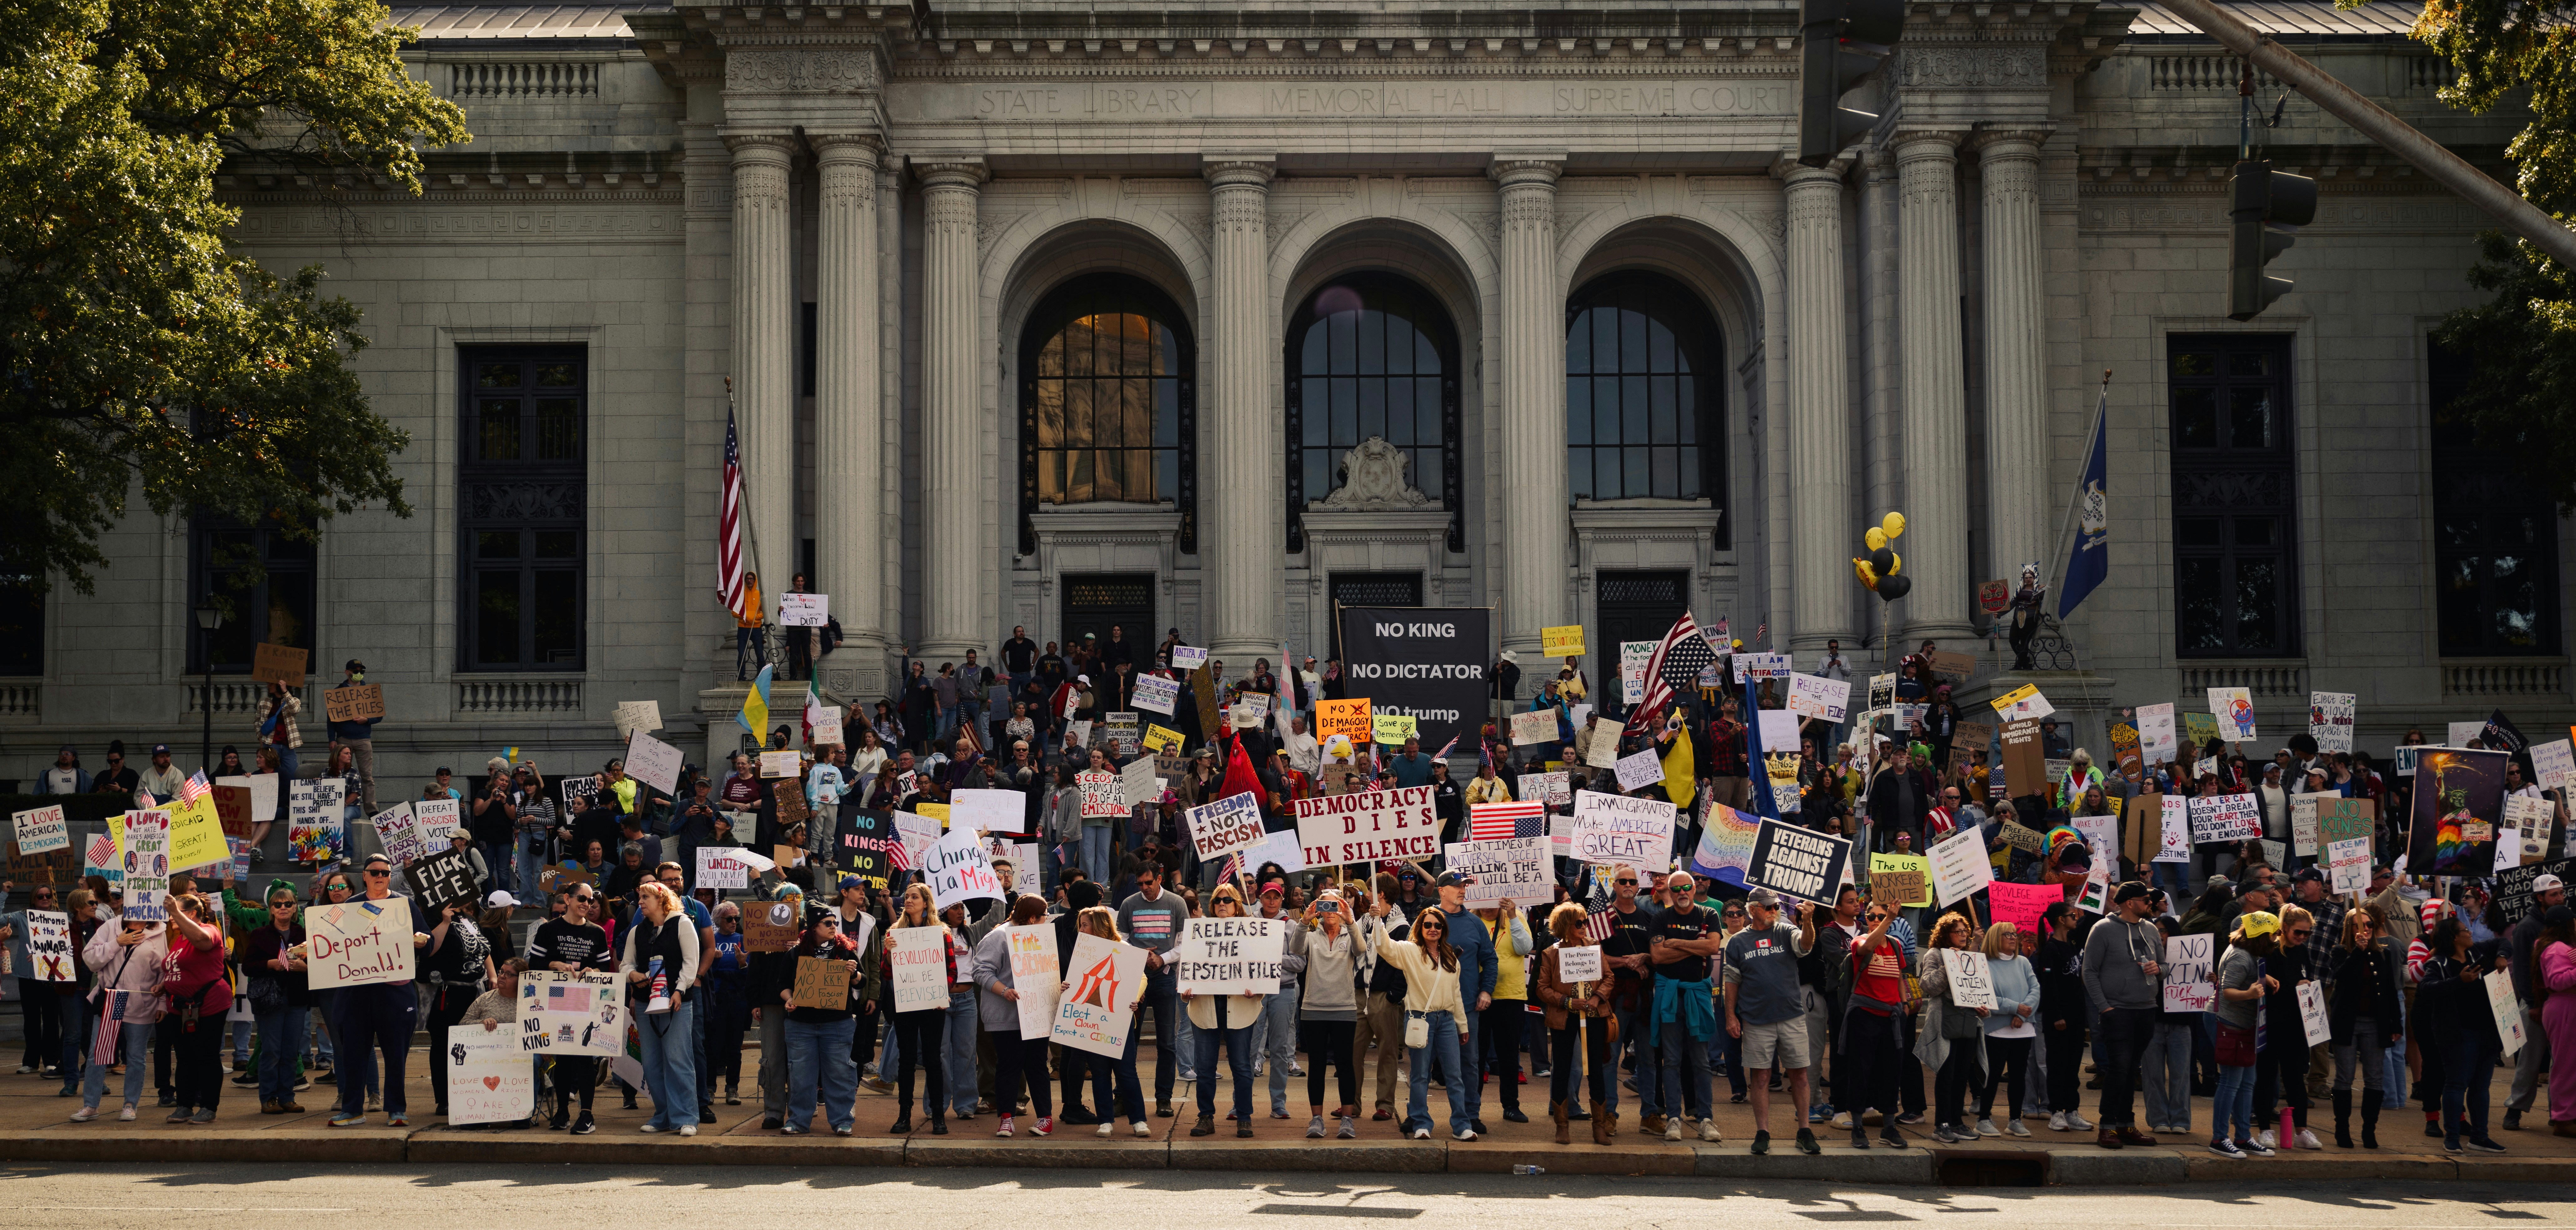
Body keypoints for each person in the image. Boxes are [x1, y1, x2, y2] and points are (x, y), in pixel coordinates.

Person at [1722, 887, 1818, 1155]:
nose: (1774, 911)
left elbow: (1807, 945)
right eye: (1769, 907)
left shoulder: (1785, 931)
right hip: (1756, 1019)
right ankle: (1763, 1132)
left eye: (1776, 906)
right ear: (1753, 910)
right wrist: (1731, 1016)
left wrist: (1808, 920)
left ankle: (1805, 1130)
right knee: (1761, 1077)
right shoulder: (1738, 942)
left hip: (1792, 1015)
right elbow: (1731, 981)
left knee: (1799, 1073)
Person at [1372, 899, 1474, 1141]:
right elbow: (1384, 946)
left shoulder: (1451, 957)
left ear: (1444, 929)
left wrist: (1462, 1025)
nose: (1433, 929)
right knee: (1419, 1075)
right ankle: (1420, 1122)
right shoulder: (1410, 951)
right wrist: (1378, 919)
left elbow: (1456, 994)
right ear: (1420, 927)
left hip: (1448, 1021)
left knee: (1454, 1076)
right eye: (1428, 924)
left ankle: (1461, 1125)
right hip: (1419, 1019)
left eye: (1438, 925)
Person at [2080, 881, 2163, 1148]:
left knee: (2132, 1070)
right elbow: (2089, 971)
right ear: (2129, 902)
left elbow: (2166, 964)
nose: (2150, 903)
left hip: (2146, 1009)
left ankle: (2126, 1124)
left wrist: (2158, 969)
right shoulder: (2102, 929)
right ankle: (2107, 1127)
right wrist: (2104, 1006)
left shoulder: (2150, 929)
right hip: (2118, 1011)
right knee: (2118, 1068)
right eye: (2145, 900)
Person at [525, 881, 612, 1135]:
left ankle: (587, 1114)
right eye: (582, 898)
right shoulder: (548, 929)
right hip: (557, 1000)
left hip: (586, 1001)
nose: (587, 903)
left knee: (585, 1058)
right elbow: (535, 963)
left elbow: (605, 968)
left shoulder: (596, 932)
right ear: (568, 899)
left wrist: (593, 970)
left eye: (591, 899)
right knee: (562, 1058)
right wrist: (556, 964)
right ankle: (562, 1111)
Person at [72, 896, 166, 1123]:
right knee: (98, 1054)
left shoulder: (159, 933)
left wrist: (162, 1002)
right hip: (111, 1000)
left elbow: (164, 971)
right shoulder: (111, 926)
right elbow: (90, 959)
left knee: (136, 1056)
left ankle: (130, 1104)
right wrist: (118, 942)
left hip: (140, 1002)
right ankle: (90, 1105)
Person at [781, 908, 875, 1136]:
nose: (834, 926)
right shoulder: (795, 953)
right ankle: (798, 1121)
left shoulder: (845, 952)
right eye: (828, 923)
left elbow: (861, 983)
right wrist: (790, 999)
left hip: (837, 1023)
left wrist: (854, 974)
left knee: (840, 1073)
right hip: (801, 1024)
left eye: (835, 923)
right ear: (814, 927)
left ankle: (843, 1120)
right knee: (801, 1075)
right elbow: (783, 985)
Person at [2419, 917, 2509, 1154]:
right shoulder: (2438, 963)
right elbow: (2427, 989)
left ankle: (2480, 1136)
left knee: (2481, 1086)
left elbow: (2505, 943)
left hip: (2487, 1031)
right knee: (2457, 1083)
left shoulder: (2477, 953)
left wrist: (2500, 956)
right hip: (2458, 1034)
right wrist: (2459, 981)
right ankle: (2453, 1137)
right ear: (2454, 937)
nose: (2470, 933)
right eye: (2465, 930)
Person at [620, 882, 703, 1134]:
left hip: (676, 1003)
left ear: (662, 900)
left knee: (678, 1059)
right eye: (640, 897)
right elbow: (625, 965)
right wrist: (633, 975)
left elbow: (691, 964)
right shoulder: (637, 931)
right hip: (647, 1002)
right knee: (652, 1062)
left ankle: (687, 1117)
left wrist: (679, 991)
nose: (641, 902)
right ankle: (663, 1114)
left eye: (646, 897)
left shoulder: (683, 924)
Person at [1183, 883, 1265, 1139]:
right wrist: (1186, 988)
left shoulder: (1251, 933)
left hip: (1240, 1006)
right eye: (1218, 900)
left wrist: (1257, 988)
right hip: (1206, 1006)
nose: (1222, 904)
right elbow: (1188, 966)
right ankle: (1206, 1117)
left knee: (1241, 1066)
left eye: (1228, 900)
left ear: (1237, 905)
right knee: (1205, 1067)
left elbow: (1262, 968)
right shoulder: (1199, 932)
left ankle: (1244, 1117)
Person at [972, 895, 1057, 1138]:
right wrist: (1004, 990)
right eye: (1044, 916)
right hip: (1006, 1017)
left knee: (1038, 1065)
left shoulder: (1041, 937)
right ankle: (1007, 1118)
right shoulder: (999, 937)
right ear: (1032, 918)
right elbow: (980, 970)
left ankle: (1045, 1118)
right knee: (1009, 1066)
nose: (1046, 920)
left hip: (1036, 1013)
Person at [884, 883, 963, 1135]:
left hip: (933, 1004)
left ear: (926, 903)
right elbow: (887, 973)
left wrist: (943, 993)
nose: (908, 900)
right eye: (906, 897)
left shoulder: (941, 933)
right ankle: (904, 1114)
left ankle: (939, 1115)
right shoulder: (895, 932)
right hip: (906, 1003)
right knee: (906, 1061)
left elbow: (952, 970)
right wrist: (888, 953)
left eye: (914, 897)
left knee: (933, 1060)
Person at [1535, 901, 1613, 1145]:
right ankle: (1562, 1126)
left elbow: (1609, 977)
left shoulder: (1595, 948)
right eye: (1578, 922)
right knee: (1563, 1070)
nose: (1584, 926)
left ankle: (1599, 1127)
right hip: (1565, 1017)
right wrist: (1568, 1002)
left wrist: (1596, 998)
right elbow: (1541, 988)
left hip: (1595, 1015)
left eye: (1585, 921)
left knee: (1596, 1071)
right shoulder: (1552, 953)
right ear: (1566, 925)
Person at [1115, 862, 1187, 1117]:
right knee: (1127, 1040)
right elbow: (1120, 939)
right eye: (1140, 884)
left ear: (1160, 879)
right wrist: (1139, 954)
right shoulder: (1128, 904)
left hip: (1165, 977)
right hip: (1134, 978)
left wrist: (1163, 959)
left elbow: (1185, 942)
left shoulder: (1177, 903)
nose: (1144, 888)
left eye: (1149, 883)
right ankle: (1123, 1096)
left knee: (1167, 1042)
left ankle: (1164, 1098)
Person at [2328, 906, 2403, 1149]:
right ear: (2350, 929)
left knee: (2375, 1077)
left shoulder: (2383, 953)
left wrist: (2395, 1023)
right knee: (2345, 1076)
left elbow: (2391, 990)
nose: (2366, 930)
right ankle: (2342, 1129)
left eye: (2370, 925)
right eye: (2360, 925)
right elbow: (2341, 976)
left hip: (2375, 1023)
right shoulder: (2340, 951)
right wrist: (2357, 953)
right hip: (2348, 1022)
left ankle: (2369, 1130)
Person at [1840, 900, 1911, 1150]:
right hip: (1865, 1015)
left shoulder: (1895, 945)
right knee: (1861, 1071)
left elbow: (1900, 976)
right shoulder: (1860, 940)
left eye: (1880, 916)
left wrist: (1903, 1004)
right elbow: (1868, 945)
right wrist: (1889, 920)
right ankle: (1858, 1126)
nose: (1875, 919)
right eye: (1871, 916)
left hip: (1891, 1018)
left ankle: (1889, 1127)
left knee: (1892, 1072)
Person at [159, 892, 234, 1124]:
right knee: (184, 1057)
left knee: (207, 1056)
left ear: (192, 914)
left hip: (208, 1005)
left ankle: (209, 1106)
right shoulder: (180, 939)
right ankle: (184, 1105)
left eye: (178, 912)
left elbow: (202, 942)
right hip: (179, 1008)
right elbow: (181, 968)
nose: (172, 918)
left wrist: (174, 912)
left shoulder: (210, 929)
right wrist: (164, 984)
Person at [2212, 909, 2282, 1157]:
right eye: (2275, 934)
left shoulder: (2249, 954)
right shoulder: (2241, 957)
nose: (2277, 939)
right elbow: (2228, 990)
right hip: (2228, 1021)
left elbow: (2246, 975)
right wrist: (2251, 994)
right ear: (2261, 935)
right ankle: (2219, 1138)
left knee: (2247, 1082)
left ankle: (2242, 1137)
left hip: (2242, 1024)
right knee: (2231, 1082)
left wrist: (2266, 977)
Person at [1916, 911, 1989, 1144]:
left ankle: (1957, 1122)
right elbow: (1929, 986)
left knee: (1961, 1075)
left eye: (1965, 931)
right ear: (1945, 934)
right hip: (1945, 1020)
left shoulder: (1972, 956)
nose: (1963, 935)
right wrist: (1950, 964)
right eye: (1958, 931)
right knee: (1946, 1074)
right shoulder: (1935, 954)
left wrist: (1983, 1007)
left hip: (1968, 1021)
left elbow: (1977, 989)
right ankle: (1942, 1124)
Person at [1297, 890, 1363, 1139]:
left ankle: (1347, 1120)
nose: (1332, 910)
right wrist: (1305, 920)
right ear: (1320, 909)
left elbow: (1361, 949)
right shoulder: (1312, 936)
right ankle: (1317, 1119)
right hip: (1314, 1009)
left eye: (1336, 905)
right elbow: (1295, 948)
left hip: (1344, 1009)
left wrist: (1351, 919)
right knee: (1317, 1065)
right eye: (1327, 905)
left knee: (1346, 1065)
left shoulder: (1350, 933)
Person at [1976, 921, 2040, 1138]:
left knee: (2019, 1076)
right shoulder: (1985, 963)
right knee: (1992, 1075)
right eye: (2008, 934)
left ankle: (2015, 1119)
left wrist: (2022, 1015)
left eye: (2015, 934)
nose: (2014, 938)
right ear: (1996, 938)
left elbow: (2036, 989)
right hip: (1997, 1030)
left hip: (2023, 1028)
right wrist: (2015, 1008)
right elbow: (1987, 996)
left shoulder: (2023, 962)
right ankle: (1983, 1118)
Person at [2528, 905, 2576, 1139]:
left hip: (2566, 1006)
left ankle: (2568, 1115)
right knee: (2567, 1066)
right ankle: (2564, 1119)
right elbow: (2557, 981)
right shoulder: (2557, 949)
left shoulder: (2557, 947)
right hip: (2565, 1006)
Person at [326, 661, 384, 814]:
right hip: (343, 739)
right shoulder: (337, 692)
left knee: (367, 776)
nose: (359, 673)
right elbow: (331, 720)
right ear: (347, 672)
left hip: (364, 739)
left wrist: (367, 720)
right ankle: (341, 805)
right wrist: (332, 739)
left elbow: (379, 716)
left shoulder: (369, 691)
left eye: (361, 671)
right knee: (340, 773)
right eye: (355, 671)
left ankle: (372, 810)